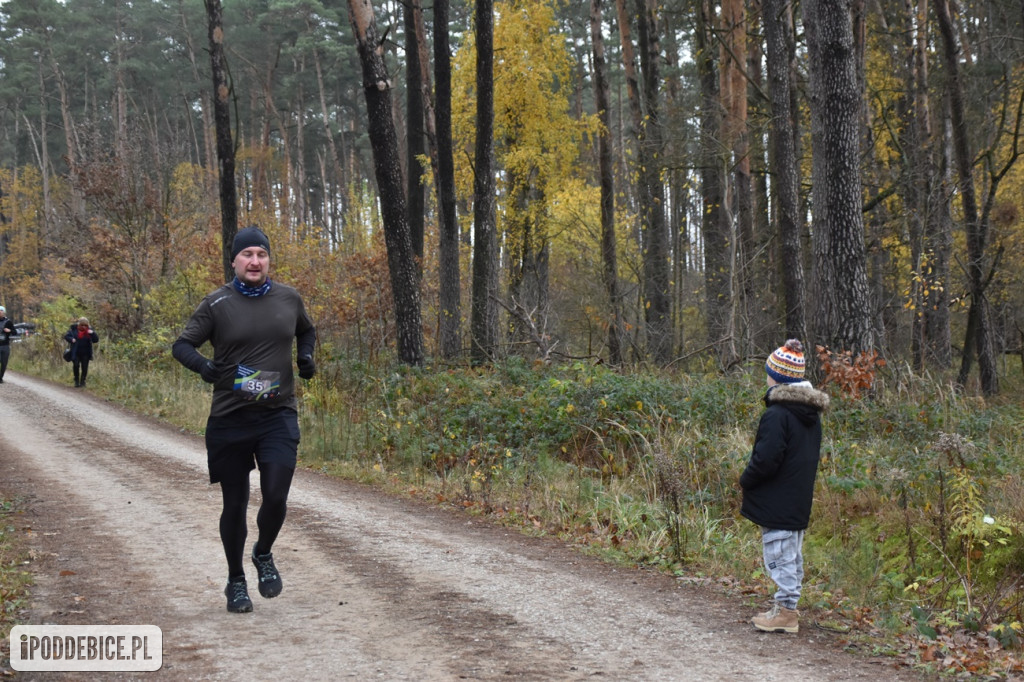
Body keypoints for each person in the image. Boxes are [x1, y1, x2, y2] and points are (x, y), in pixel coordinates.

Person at [172, 226, 316, 614]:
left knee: (276, 496)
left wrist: (306, 358)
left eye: (262, 254)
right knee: (234, 504)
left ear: (269, 260)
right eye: (247, 254)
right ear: (234, 261)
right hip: (230, 418)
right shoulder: (217, 303)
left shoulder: (289, 297)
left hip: (277, 415)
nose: (255, 261)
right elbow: (181, 345)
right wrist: (204, 367)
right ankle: (235, 580)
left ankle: (263, 552)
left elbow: (307, 330)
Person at [739, 339, 830, 634]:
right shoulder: (809, 415)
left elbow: (766, 460)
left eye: (769, 372)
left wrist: (746, 479)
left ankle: (787, 612)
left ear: (777, 377)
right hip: (796, 499)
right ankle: (785, 607)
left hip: (778, 500)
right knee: (790, 553)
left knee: (779, 555)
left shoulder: (777, 415)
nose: (766, 377)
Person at [64, 317, 100, 388]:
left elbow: (96, 340)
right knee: (76, 365)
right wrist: (72, 339)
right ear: (79, 324)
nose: (84, 327)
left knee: (84, 367)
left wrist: (92, 333)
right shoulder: (73, 330)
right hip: (76, 352)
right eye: (82, 325)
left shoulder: (89, 331)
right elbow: (66, 336)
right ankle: (76, 380)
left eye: (85, 325)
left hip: (86, 353)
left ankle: (83, 381)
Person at [0, 305, 16, 383]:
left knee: (4, 363)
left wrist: (9, 331)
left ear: (4, 312)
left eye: (1, 310)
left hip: (5, 345)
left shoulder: (8, 322)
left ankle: (0, 377)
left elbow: (15, 332)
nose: (0, 312)